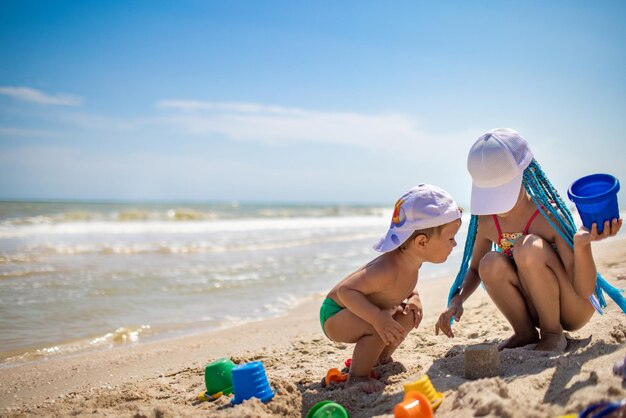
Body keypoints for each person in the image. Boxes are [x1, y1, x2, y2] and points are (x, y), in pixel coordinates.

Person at [436, 128, 624, 352]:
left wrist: (583, 244)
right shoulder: (486, 222)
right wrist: (457, 300)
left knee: (527, 248)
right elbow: (476, 269)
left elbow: (584, 290)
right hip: (535, 307)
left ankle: (553, 333)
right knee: (489, 262)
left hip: (573, 307)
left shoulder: (548, 215)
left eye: (503, 191)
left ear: (527, 173)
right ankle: (524, 332)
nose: (497, 205)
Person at [320, 184, 462, 393]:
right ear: (421, 242)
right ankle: (357, 377)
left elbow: (402, 289)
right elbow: (346, 292)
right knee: (377, 326)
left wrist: (414, 298)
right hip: (335, 314)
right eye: (450, 238)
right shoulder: (387, 268)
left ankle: (378, 358)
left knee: (406, 315)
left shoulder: (413, 262)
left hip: (360, 310)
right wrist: (377, 318)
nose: (455, 244)